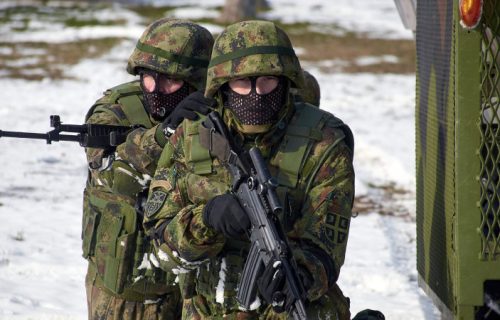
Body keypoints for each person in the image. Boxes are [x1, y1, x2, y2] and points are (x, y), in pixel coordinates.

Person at [143, 20, 354, 319]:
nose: (255, 94)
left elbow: (327, 247)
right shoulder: (191, 136)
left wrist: (301, 277)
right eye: (242, 82)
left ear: (286, 80)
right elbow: (162, 252)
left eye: (266, 80)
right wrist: (207, 218)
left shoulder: (324, 142)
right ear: (222, 84)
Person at [82, 18, 214, 320]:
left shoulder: (212, 109)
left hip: (198, 291)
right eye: (148, 77)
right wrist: (164, 133)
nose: (156, 89)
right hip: (129, 294)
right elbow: (113, 175)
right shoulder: (115, 109)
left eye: (171, 80)